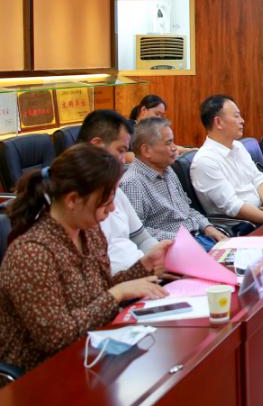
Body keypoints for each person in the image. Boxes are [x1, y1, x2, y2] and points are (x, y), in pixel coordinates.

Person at [0, 145, 168, 372]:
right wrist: (117, 294)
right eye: (106, 200)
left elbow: (101, 291)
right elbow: (56, 337)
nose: (112, 208)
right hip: (41, 372)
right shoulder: (32, 254)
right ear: (73, 200)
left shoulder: (89, 232)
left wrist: (144, 265)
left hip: (92, 350)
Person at [78, 109, 169, 275]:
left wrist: (162, 260)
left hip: (143, 275)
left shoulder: (115, 189)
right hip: (122, 283)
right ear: (96, 145)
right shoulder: (74, 200)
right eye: (120, 150)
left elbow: (142, 238)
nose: (124, 159)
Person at [120, 117, 229, 249]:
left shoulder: (168, 170)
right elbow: (137, 233)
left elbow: (186, 209)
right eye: (169, 143)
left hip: (197, 237)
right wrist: (181, 240)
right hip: (173, 247)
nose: (174, 148)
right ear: (146, 150)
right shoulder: (132, 183)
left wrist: (207, 227)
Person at [191, 94, 263, 222]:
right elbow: (234, 206)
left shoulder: (238, 146)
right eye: (236, 116)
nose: (242, 120)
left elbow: (259, 179)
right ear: (218, 122)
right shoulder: (205, 161)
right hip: (243, 225)